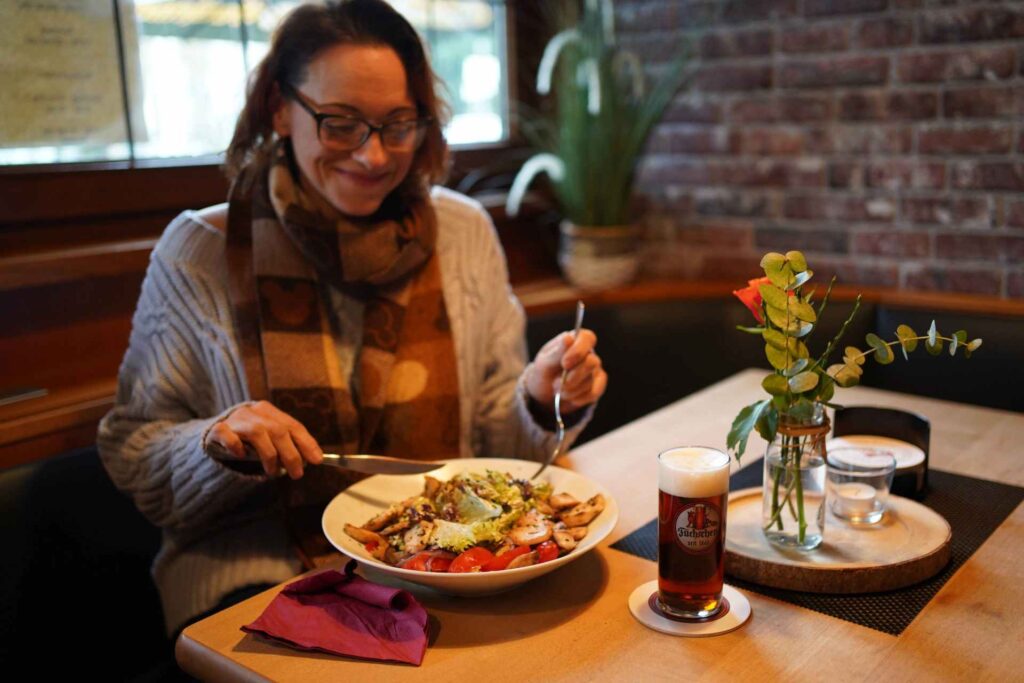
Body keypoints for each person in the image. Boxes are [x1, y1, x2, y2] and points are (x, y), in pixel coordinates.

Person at [98, 0, 606, 639]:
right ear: (281, 109)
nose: (373, 156)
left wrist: (537, 398)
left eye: (399, 124)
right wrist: (218, 441)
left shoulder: (463, 231)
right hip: (257, 586)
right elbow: (136, 459)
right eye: (340, 124)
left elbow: (496, 458)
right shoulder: (202, 250)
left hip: (457, 573)